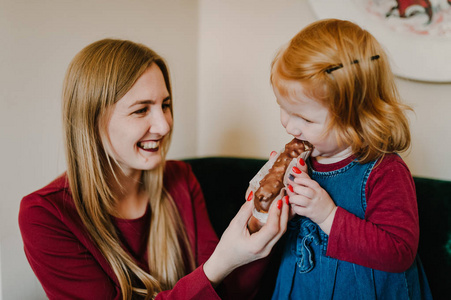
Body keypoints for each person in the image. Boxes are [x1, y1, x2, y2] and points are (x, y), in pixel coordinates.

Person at [18, 39, 289, 300]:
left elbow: (227, 293)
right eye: (141, 110)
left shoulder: (181, 178)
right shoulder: (44, 215)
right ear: (92, 119)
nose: (164, 126)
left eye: (165, 105)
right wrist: (219, 263)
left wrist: (257, 225)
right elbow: (212, 274)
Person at [265, 19, 432, 299]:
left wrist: (329, 216)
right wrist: (275, 205)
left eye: (305, 118)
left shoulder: (385, 172)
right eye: (284, 109)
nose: (290, 127)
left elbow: (399, 252)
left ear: (356, 119)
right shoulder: (303, 162)